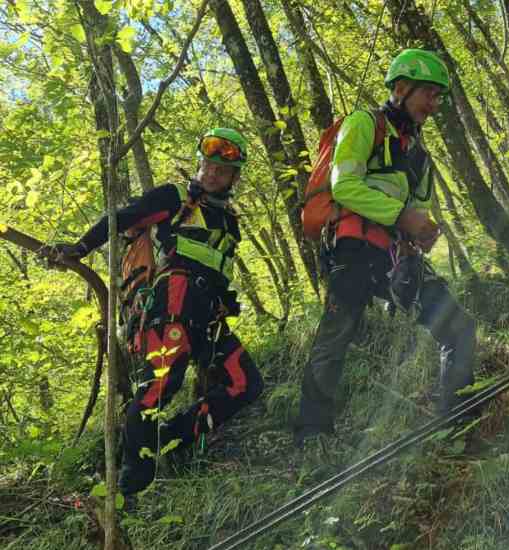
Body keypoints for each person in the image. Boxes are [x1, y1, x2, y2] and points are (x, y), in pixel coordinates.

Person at [42, 128, 264, 494]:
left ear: (233, 177)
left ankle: (168, 439)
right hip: (172, 304)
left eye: (222, 171)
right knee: (157, 388)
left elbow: (220, 272)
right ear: (199, 164)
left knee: (246, 384)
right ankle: (132, 484)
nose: (212, 174)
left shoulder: (230, 223)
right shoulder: (174, 197)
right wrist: (79, 248)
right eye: (208, 166)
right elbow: (121, 218)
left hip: (209, 315)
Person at [293, 49, 477, 448]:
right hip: (354, 250)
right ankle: (312, 434)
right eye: (428, 93)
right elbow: (344, 185)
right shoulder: (364, 123)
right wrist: (401, 217)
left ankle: (456, 424)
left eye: (438, 95)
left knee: (459, 327)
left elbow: (419, 208)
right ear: (400, 88)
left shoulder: (419, 154)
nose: (434, 103)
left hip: (398, 259)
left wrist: (423, 232)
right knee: (336, 336)